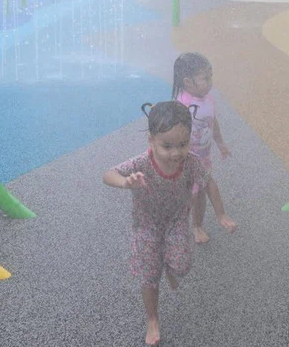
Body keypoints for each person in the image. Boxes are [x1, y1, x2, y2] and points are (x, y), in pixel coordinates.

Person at [102, 101, 213, 346]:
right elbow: (108, 174)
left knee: (182, 264)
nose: (176, 152)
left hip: (175, 222)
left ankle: (170, 268)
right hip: (146, 225)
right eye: (167, 146)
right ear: (151, 140)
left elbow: (208, 182)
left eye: (183, 144)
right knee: (149, 275)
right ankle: (152, 319)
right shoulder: (142, 163)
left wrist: (222, 214)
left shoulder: (191, 162)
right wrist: (125, 182)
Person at [172, 52, 238, 243]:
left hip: (204, 155)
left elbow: (212, 120)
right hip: (186, 159)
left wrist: (220, 142)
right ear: (188, 82)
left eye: (211, 77)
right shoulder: (182, 105)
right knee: (199, 188)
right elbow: (172, 132)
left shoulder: (207, 99)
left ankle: (196, 226)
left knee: (199, 192)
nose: (210, 82)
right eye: (205, 78)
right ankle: (199, 220)